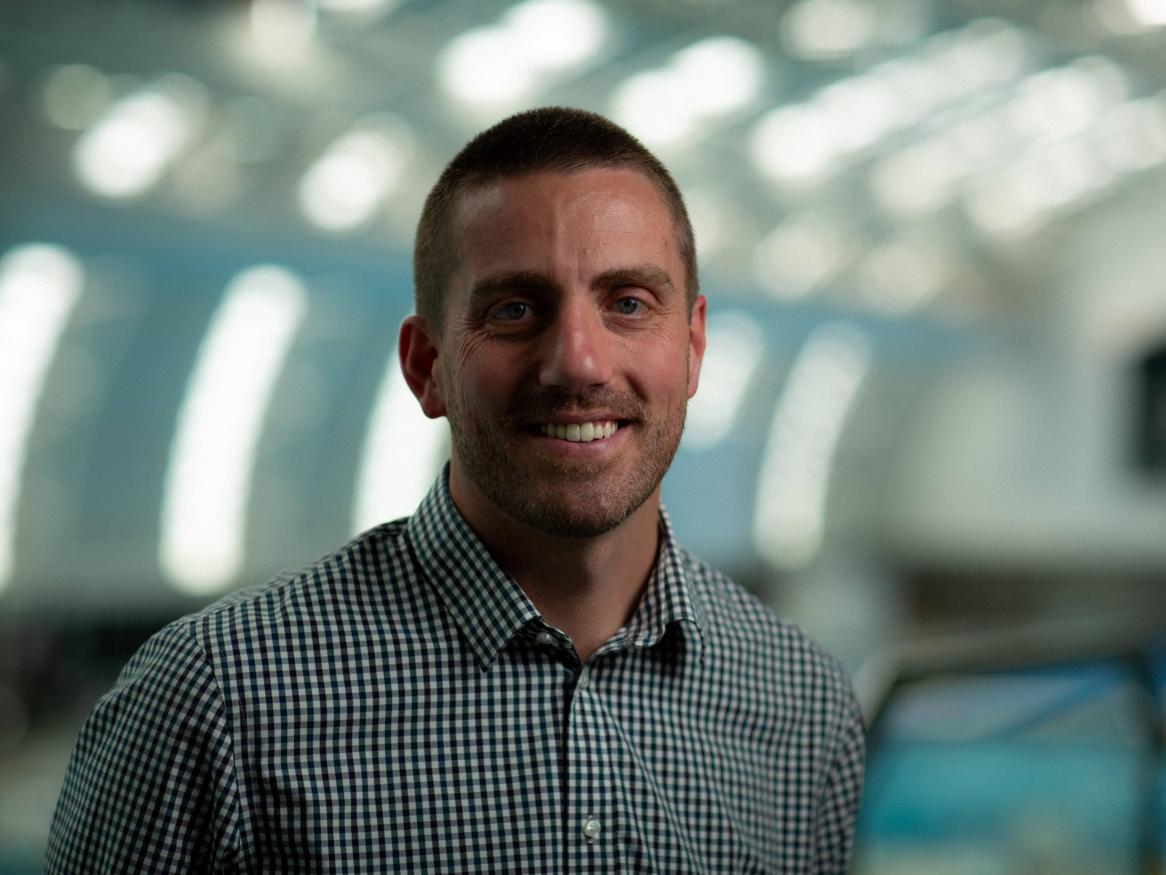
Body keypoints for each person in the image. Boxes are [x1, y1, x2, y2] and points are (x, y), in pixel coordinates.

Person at [46, 107, 865, 873]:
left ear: (692, 348)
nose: (577, 362)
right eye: (515, 309)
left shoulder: (804, 705)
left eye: (627, 303)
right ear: (426, 366)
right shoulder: (214, 701)